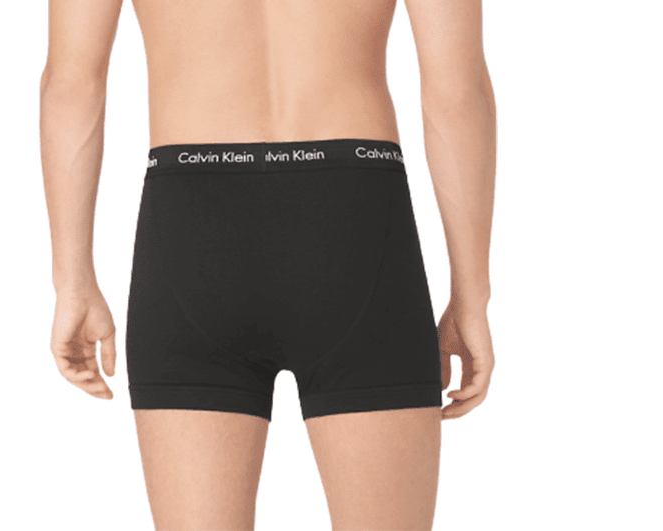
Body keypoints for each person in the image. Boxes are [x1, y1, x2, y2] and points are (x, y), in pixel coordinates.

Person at [40, 0, 496, 528]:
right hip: (355, 229)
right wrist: (471, 295)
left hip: (193, 232)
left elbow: (71, 84)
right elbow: (456, 92)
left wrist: (72, 281)